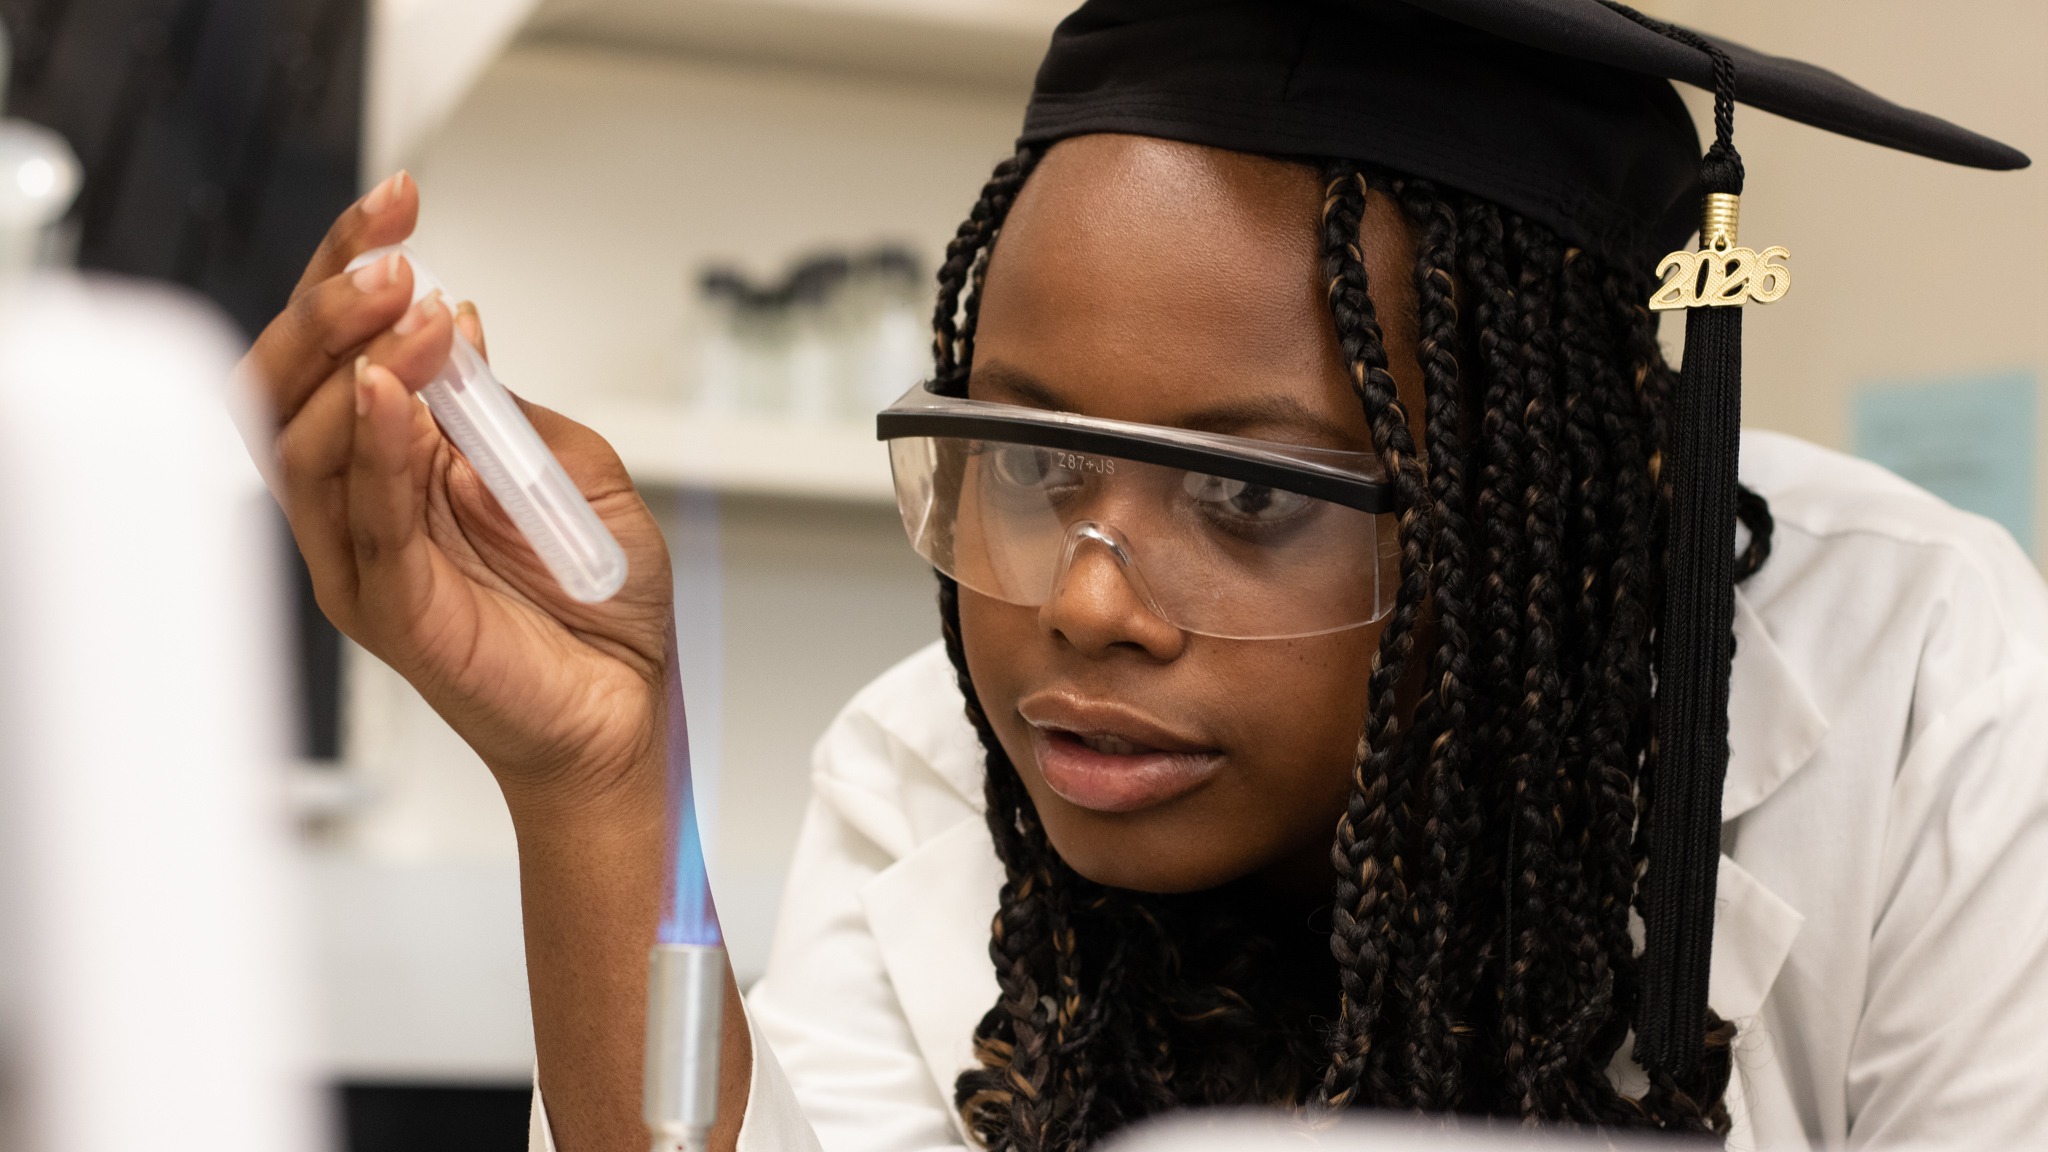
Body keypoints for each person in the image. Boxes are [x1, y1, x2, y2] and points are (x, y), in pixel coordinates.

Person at [236, 1, 2045, 1149]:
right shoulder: (935, 774)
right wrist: (601, 783)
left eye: (1246, 496)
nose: (1088, 605)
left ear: (1545, 524)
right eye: (1032, 461)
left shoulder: (1918, 700)